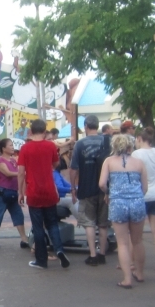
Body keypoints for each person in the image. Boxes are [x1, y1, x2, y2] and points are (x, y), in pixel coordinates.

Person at [18, 118, 70, 269]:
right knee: (52, 223)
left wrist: (20, 192)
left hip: (33, 190)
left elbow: (21, 172)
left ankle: (41, 260)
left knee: (38, 226)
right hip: (49, 190)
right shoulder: (50, 146)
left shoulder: (25, 148)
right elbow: (56, 164)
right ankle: (59, 249)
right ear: (45, 130)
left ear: (31, 130)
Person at [98, 134, 148, 288]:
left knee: (123, 243)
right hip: (137, 202)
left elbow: (101, 183)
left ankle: (127, 278)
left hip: (118, 202)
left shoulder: (109, 162)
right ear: (130, 146)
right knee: (138, 241)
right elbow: (145, 188)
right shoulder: (139, 163)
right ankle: (139, 273)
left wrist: (109, 193)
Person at [68, 114, 110, 266]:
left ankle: (92, 254)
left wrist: (73, 188)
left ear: (86, 126)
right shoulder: (108, 142)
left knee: (89, 223)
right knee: (103, 223)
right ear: (98, 126)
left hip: (86, 187)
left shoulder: (80, 144)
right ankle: (102, 253)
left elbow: (73, 169)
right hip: (105, 188)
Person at [132, 126, 155, 273]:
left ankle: (134, 263)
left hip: (142, 193)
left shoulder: (136, 154)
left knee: (136, 235)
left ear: (139, 139)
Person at [0, 138, 28, 249]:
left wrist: (21, 191)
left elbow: (18, 175)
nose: (12, 147)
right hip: (1, 193)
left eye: (12, 145)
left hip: (13, 193)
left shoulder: (13, 160)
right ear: (3, 148)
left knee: (18, 216)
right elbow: (8, 173)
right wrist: (21, 173)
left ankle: (24, 239)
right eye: (10, 145)